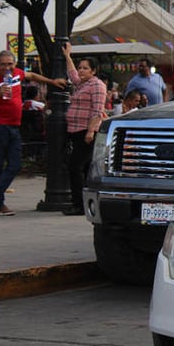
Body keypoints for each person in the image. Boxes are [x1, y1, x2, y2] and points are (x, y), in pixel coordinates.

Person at [0, 50, 66, 216]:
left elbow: (32, 76)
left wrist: (52, 82)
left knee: (15, 164)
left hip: (14, 126)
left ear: (14, 64)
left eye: (10, 64)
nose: (7, 68)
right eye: (3, 64)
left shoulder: (17, 74)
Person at [62, 43, 107, 216]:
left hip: (85, 131)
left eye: (85, 68)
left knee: (75, 166)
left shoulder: (97, 85)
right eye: (81, 68)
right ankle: (86, 202)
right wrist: (68, 56)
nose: (81, 71)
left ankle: (79, 204)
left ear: (93, 71)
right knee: (84, 167)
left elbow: (97, 109)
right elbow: (72, 75)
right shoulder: (82, 84)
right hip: (75, 130)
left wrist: (90, 131)